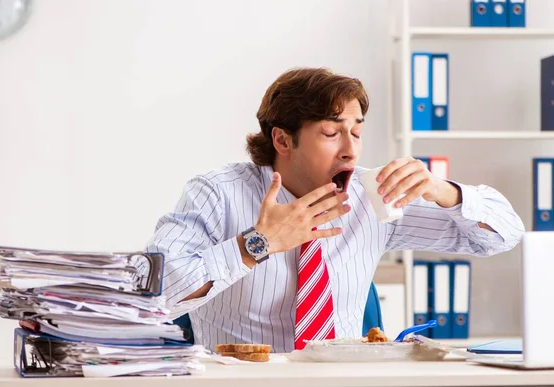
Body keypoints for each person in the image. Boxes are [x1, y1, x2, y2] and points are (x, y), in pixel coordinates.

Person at [145, 67, 524, 353]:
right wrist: (256, 244)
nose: (351, 150)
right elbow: (153, 296)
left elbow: (504, 236)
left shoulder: (371, 194)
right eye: (331, 133)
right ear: (282, 139)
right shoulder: (217, 194)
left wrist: (443, 190)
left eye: (357, 132)